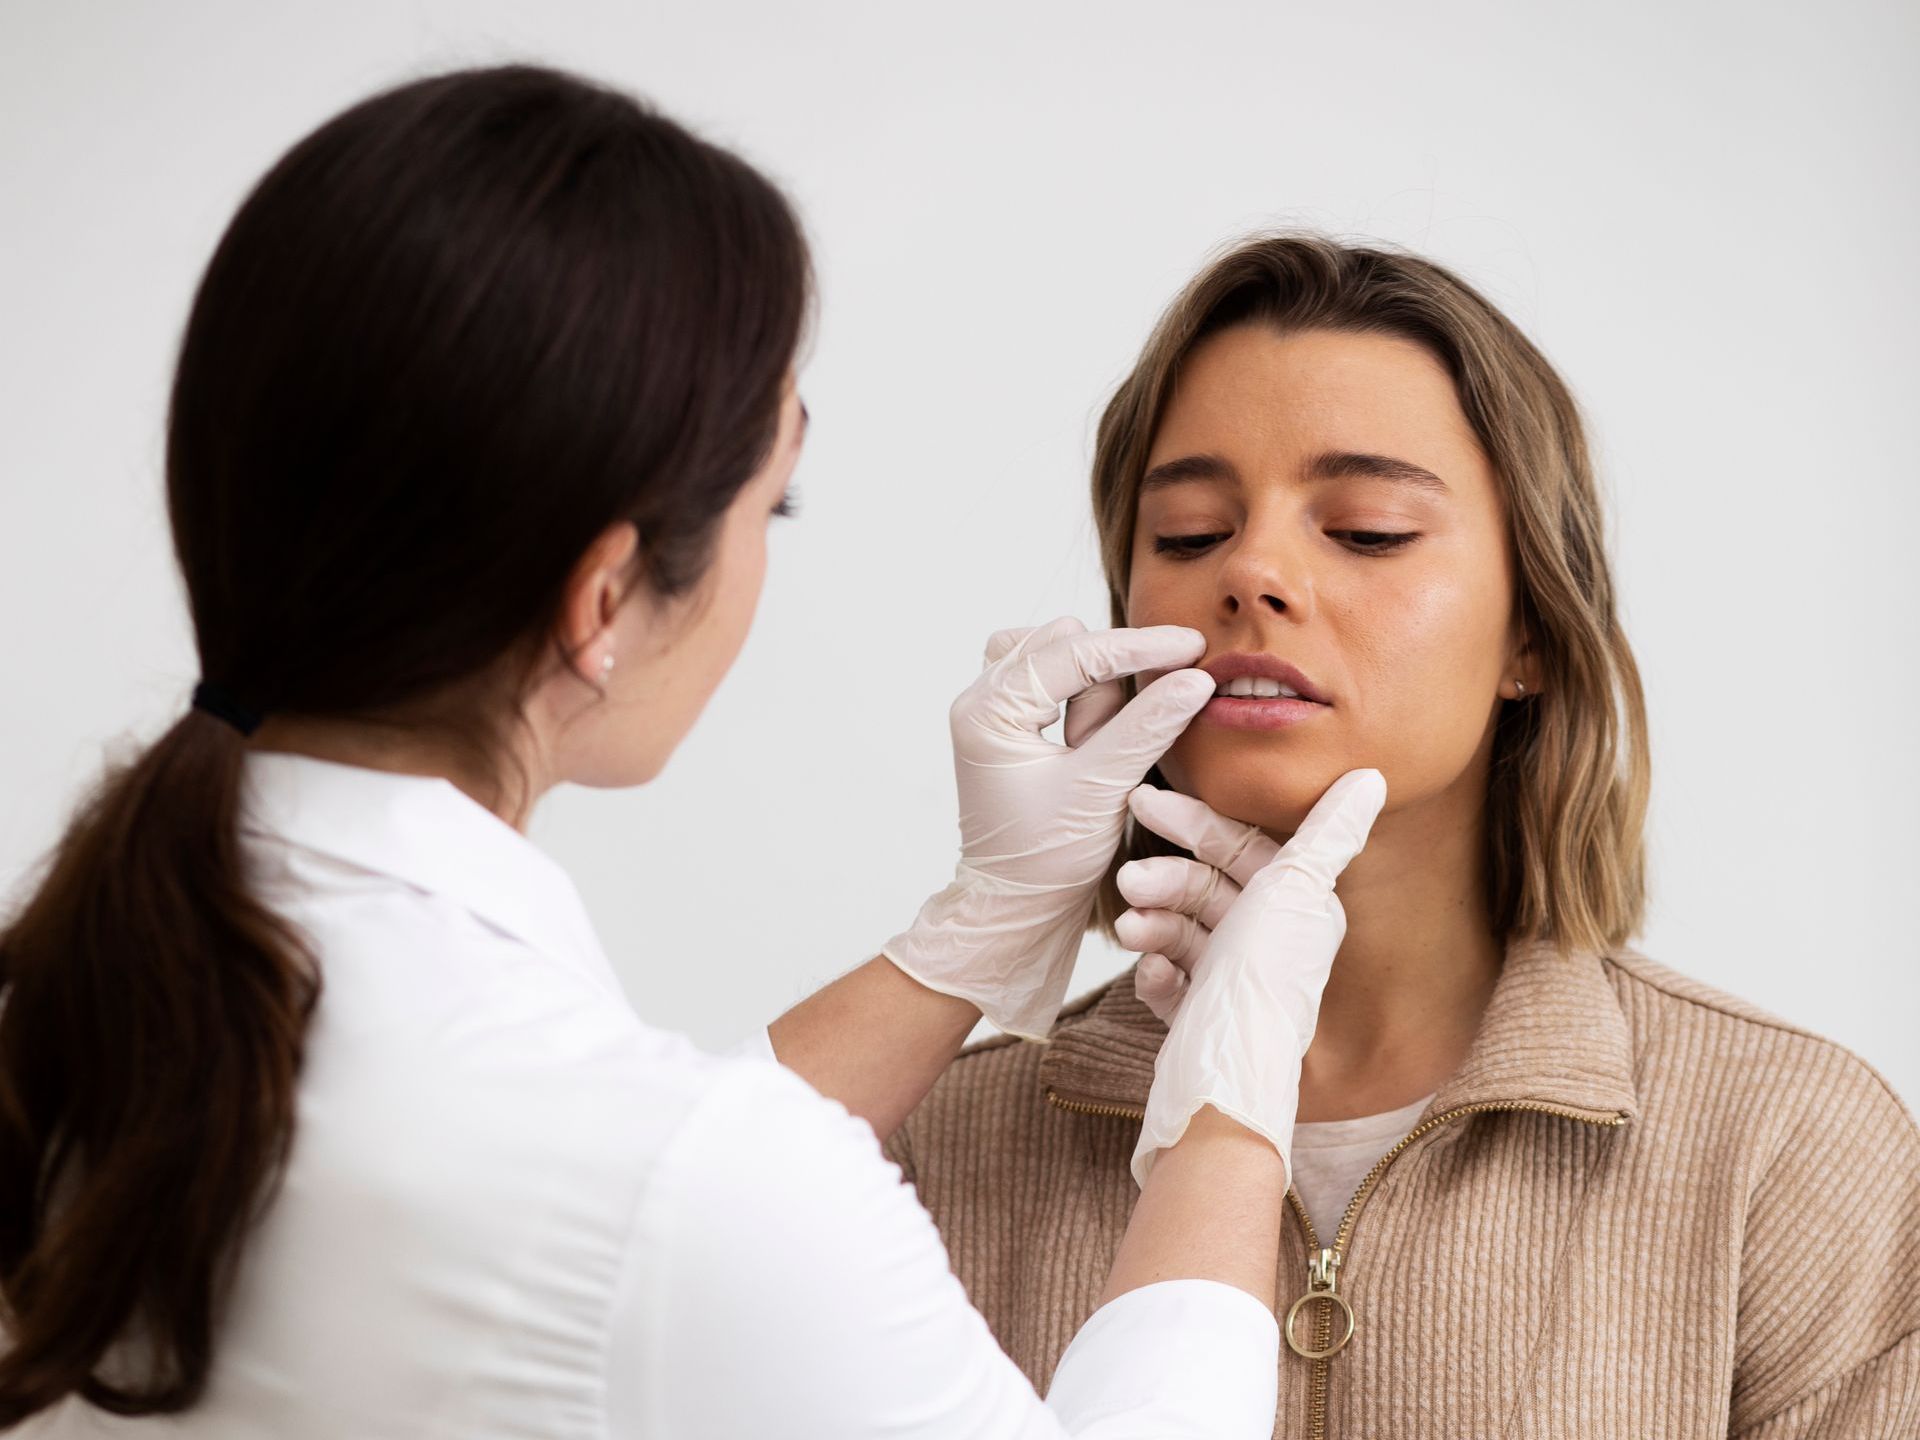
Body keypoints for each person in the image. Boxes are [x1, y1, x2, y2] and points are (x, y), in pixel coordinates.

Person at [0, 67, 1385, 1437]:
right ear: (602, 600)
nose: (1253, 581)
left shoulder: (79, 1019)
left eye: (1370, 532)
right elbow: (669, 1223)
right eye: (770, 506)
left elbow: (644, 1221)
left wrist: (974, 930)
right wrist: (1225, 1122)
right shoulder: (681, 1192)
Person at [885, 233, 1920, 1437]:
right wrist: (973, 935)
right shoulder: (935, 1150)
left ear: (1533, 633)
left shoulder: (1786, 1148)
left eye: (1368, 530)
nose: (1253, 572)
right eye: (1186, 535)